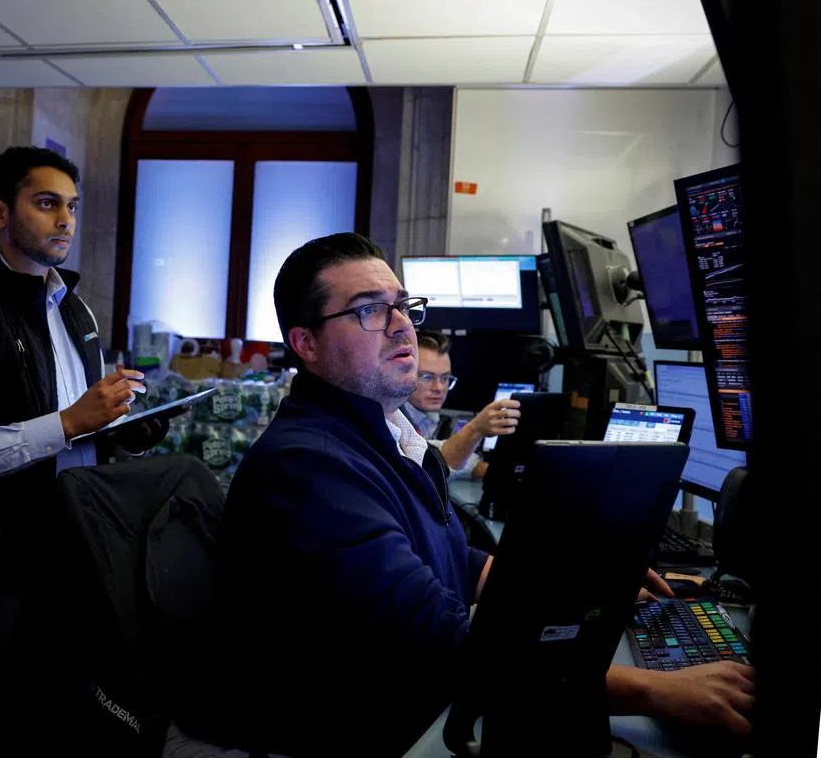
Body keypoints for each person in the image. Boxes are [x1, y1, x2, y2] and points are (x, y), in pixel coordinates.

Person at [173, 233, 755, 757]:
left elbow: (454, 555)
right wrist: (656, 689)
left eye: (402, 305)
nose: (402, 324)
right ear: (307, 343)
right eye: (371, 311)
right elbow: (443, 645)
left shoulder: (382, 432)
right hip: (326, 733)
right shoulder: (307, 468)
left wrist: (575, 587)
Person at [0, 146, 164, 535]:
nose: (66, 221)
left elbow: (82, 429)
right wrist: (66, 423)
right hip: (4, 542)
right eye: (48, 204)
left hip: (81, 525)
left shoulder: (76, 309)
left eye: (72, 207)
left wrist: (125, 435)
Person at [401, 329, 519, 479]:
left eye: (445, 378)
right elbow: (426, 463)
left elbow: (439, 454)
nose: (439, 388)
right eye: (427, 377)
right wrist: (476, 429)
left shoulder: (430, 417)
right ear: (401, 373)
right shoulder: (391, 417)